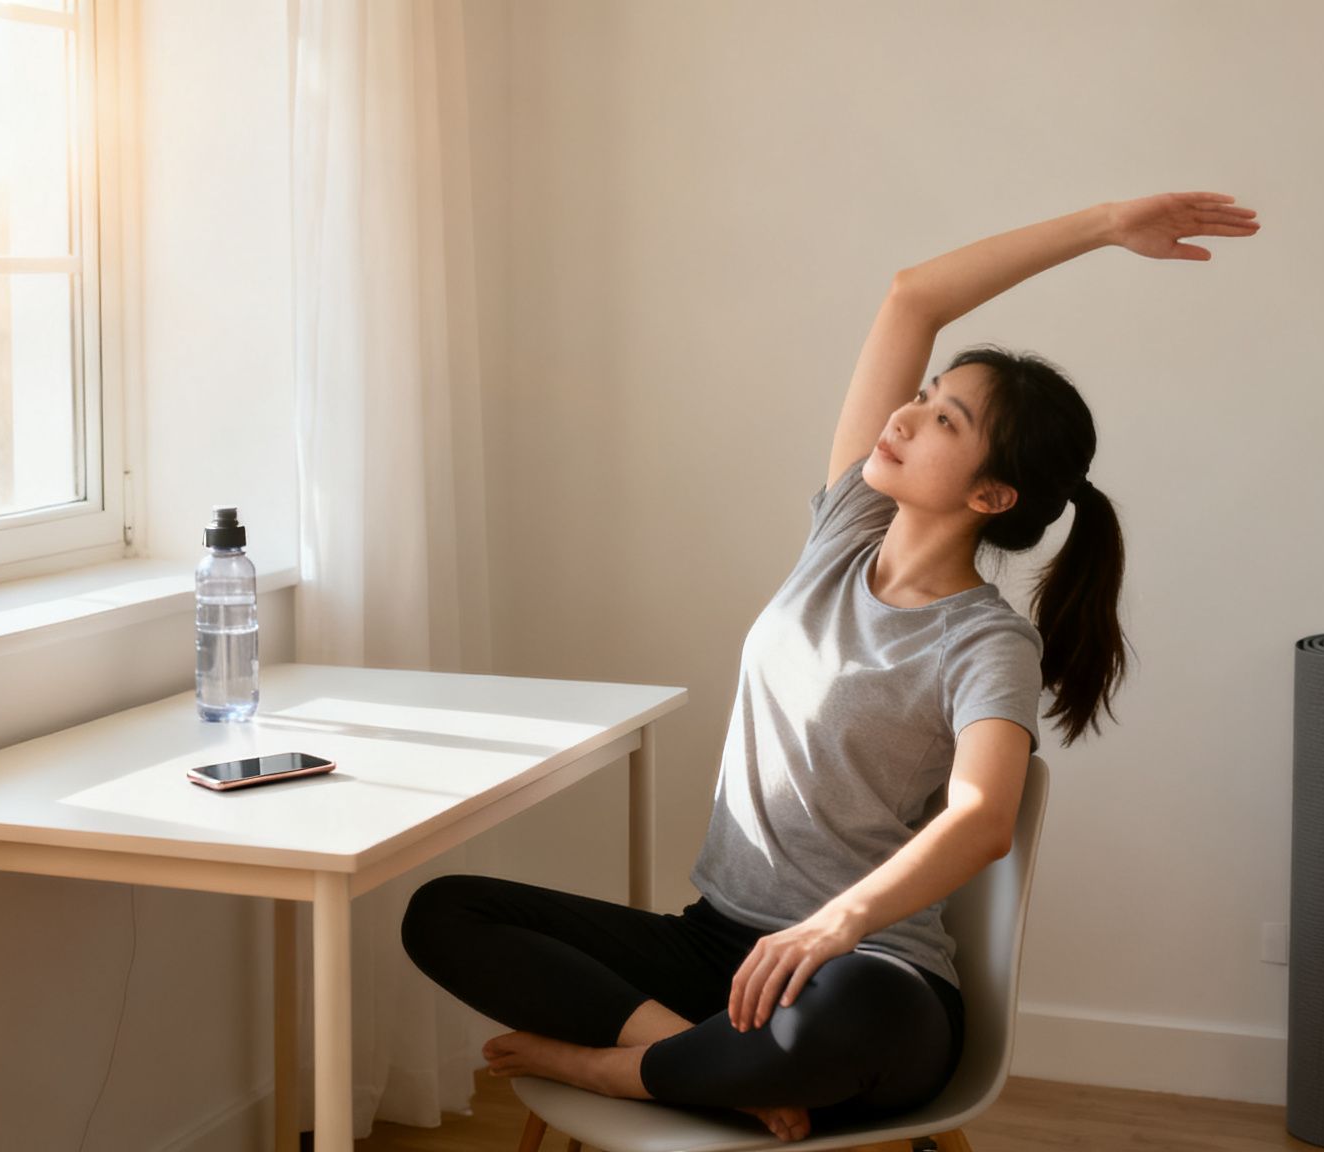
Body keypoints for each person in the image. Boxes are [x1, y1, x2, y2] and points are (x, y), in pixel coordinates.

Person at [401, 192, 1261, 1143]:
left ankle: (621, 1069)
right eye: (925, 395)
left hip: (868, 969)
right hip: (718, 944)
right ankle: (690, 1058)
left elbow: (983, 820)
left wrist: (834, 926)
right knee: (445, 911)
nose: (905, 416)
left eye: (945, 421)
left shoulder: (985, 642)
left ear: (991, 492)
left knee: (860, 1021)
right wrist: (1101, 227)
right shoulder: (845, 532)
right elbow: (913, 297)